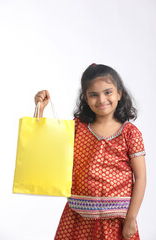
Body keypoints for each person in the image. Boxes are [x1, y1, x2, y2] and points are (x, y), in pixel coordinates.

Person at [34, 64, 146, 240]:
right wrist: (40, 109)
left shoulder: (130, 133)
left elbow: (140, 177)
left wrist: (131, 217)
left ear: (119, 94)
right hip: (77, 217)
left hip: (116, 221)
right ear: (85, 98)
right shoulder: (78, 127)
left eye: (108, 92)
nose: (101, 100)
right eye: (94, 95)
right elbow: (47, 147)